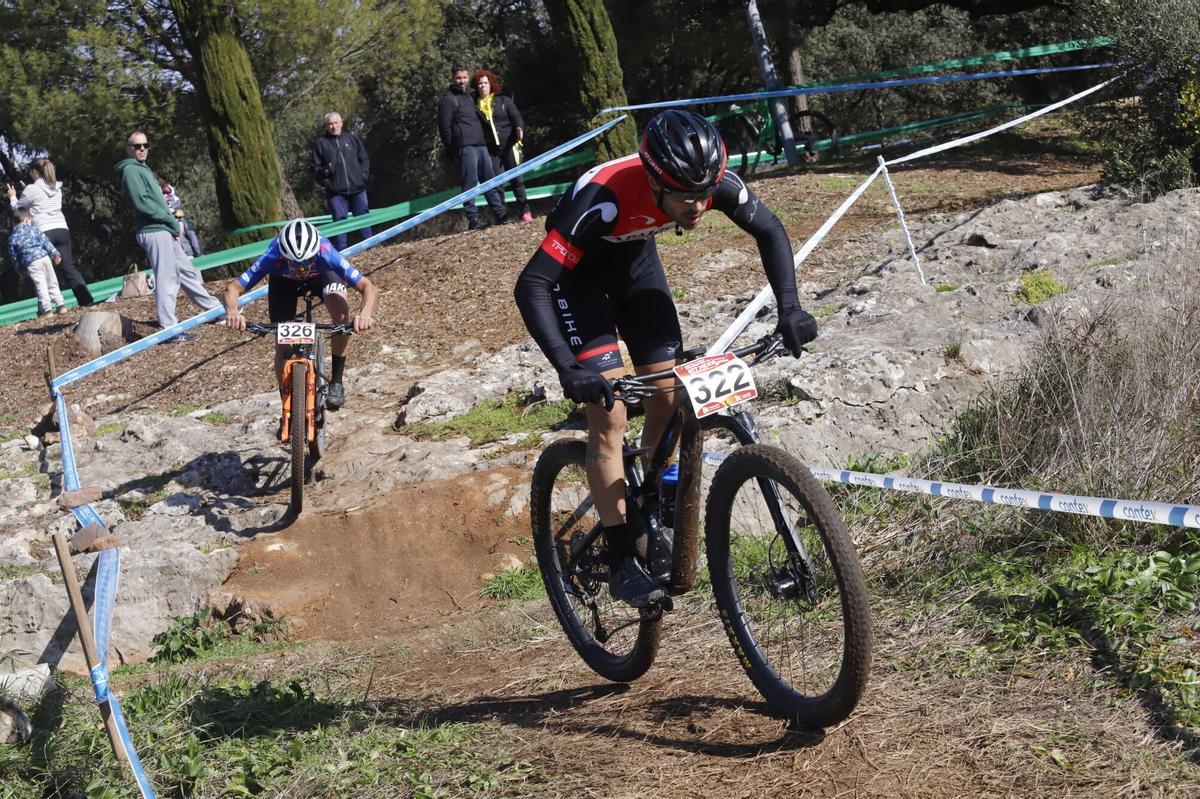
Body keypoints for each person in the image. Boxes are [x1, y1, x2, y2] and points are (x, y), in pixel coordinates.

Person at [514, 110, 818, 607]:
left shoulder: (707, 183)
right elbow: (532, 284)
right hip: (579, 284)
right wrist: (567, 367)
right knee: (610, 415)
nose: (698, 206)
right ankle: (619, 560)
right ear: (655, 181)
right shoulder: (604, 197)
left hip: (637, 270)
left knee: (667, 394)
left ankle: (654, 499)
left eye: (705, 193)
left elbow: (769, 230)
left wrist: (791, 309)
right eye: (684, 196)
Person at [222, 219, 377, 419]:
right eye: (294, 262)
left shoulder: (326, 252)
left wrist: (365, 313)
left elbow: (368, 287)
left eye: (306, 261)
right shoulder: (273, 255)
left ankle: (337, 381)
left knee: (340, 313)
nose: (301, 268)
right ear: (283, 255)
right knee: (282, 342)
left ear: (315, 252)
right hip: (283, 282)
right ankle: (287, 408)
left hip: (322, 274)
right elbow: (232, 289)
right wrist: (233, 312)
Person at [116, 131, 221, 334]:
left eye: (145, 145)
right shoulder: (131, 170)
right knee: (167, 277)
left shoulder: (142, 169)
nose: (142, 149)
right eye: (137, 146)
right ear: (128, 148)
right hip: (154, 229)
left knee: (187, 272)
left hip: (163, 228)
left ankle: (216, 309)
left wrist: (169, 222)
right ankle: (169, 326)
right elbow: (141, 203)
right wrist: (168, 219)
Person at [5, 158, 95, 308]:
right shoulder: (56, 187)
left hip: (42, 231)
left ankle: (47, 308)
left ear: (35, 172)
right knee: (68, 267)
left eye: (31, 172)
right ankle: (87, 301)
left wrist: (12, 196)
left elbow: (19, 211)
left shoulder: (31, 189)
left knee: (40, 271)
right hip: (61, 228)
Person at [437, 64, 511, 230]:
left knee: (490, 182)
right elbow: (444, 127)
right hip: (465, 146)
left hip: (481, 145)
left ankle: (501, 215)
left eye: (464, 77)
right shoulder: (448, 99)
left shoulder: (470, 96)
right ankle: (473, 219)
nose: (462, 81)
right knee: (469, 184)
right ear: (452, 78)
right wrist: (451, 149)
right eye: (458, 78)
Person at [473, 69, 532, 223]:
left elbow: (516, 116)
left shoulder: (503, 100)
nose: (483, 86)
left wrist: (519, 128)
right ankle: (503, 217)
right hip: (492, 150)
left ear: (490, 84)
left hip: (510, 145)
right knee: (497, 184)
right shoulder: (474, 105)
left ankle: (525, 211)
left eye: (485, 83)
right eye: (480, 84)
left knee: (517, 180)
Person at [309, 112, 373, 251]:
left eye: (336, 122)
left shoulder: (352, 138)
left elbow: (364, 159)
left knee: (363, 217)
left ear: (341, 123)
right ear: (326, 126)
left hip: (358, 188)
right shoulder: (320, 143)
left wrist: (363, 177)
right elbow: (315, 168)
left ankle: (371, 248)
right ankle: (342, 252)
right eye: (330, 124)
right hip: (336, 193)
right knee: (339, 221)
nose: (333, 126)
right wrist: (327, 184)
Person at [7, 207, 66, 316]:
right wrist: (55, 254)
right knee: (52, 281)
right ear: (26, 219)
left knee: (41, 285)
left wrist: (19, 270)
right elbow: (45, 241)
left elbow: (13, 257)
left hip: (31, 263)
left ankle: (47, 310)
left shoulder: (13, 237)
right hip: (45, 258)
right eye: (31, 220)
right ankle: (60, 305)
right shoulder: (34, 229)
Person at [154, 174, 204, 257]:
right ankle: (190, 253)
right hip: (172, 213)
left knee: (188, 232)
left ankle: (198, 252)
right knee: (181, 234)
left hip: (176, 211)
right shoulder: (158, 189)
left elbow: (170, 194)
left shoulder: (164, 187)